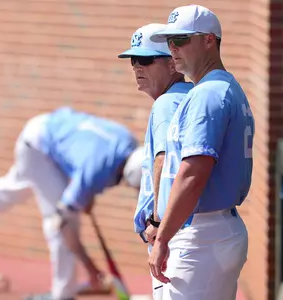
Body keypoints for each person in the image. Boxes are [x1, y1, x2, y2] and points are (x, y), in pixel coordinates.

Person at [0, 107, 145, 300]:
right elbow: (63, 221)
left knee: (13, 188)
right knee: (59, 221)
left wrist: (85, 195)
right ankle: (63, 294)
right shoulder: (94, 172)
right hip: (40, 147)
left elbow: (85, 153)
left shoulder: (128, 142)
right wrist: (90, 266)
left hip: (44, 128)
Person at [148, 4, 255, 299]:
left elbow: (193, 174)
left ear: (209, 40)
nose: (172, 48)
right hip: (214, 228)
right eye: (169, 41)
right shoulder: (224, 87)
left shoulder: (208, 94)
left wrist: (163, 237)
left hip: (200, 234)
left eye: (181, 40)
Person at [117, 23, 193, 298]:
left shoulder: (166, 103)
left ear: (172, 64)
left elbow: (165, 161)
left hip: (177, 235)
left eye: (146, 60)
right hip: (197, 229)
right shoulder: (191, 96)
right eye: (134, 60)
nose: (137, 67)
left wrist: (159, 224)